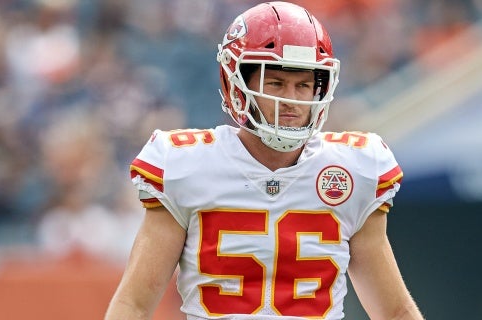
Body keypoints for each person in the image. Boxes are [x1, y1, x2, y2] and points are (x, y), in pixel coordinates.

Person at [105, 2, 424, 319]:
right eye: (276, 83)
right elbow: (133, 304)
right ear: (236, 82)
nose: (291, 100)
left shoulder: (352, 169)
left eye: (303, 85)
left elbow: (394, 311)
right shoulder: (186, 166)